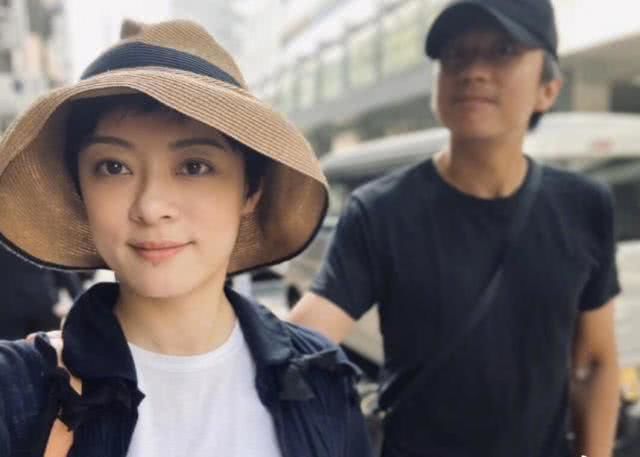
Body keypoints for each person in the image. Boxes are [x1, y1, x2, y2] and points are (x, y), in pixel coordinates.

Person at [0, 19, 371, 457]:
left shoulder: (322, 377)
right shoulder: (18, 393)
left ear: (250, 190)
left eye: (195, 166)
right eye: (113, 167)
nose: (151, 206)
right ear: (81, 189)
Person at [289, 1, 621, 456]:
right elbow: (305, 339)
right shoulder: (380, 211)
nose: (473, 71)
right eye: (455, 55)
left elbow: (594, 362)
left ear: (548, 89)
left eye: (503, 51)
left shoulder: (584, 205)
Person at [0, 246, 84, 340]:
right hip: (42, 303)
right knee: (45, 344)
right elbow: (63, 271)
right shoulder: (41, 241)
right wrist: (80, 301)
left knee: (11, 345)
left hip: (9, 308)